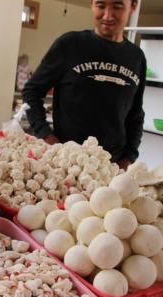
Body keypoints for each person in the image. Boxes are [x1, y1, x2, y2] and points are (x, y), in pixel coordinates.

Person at [22, 0, 146, 170]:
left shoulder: (137, 57)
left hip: (111, 165)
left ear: (133, 6)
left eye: (117, 6)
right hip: (66, 163)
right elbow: (32, 91)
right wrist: (46, 136)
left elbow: (136, 114)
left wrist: (128, 158)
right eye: (101, 5)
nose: (107, 15)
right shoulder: (70, 44)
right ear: (92, 4)